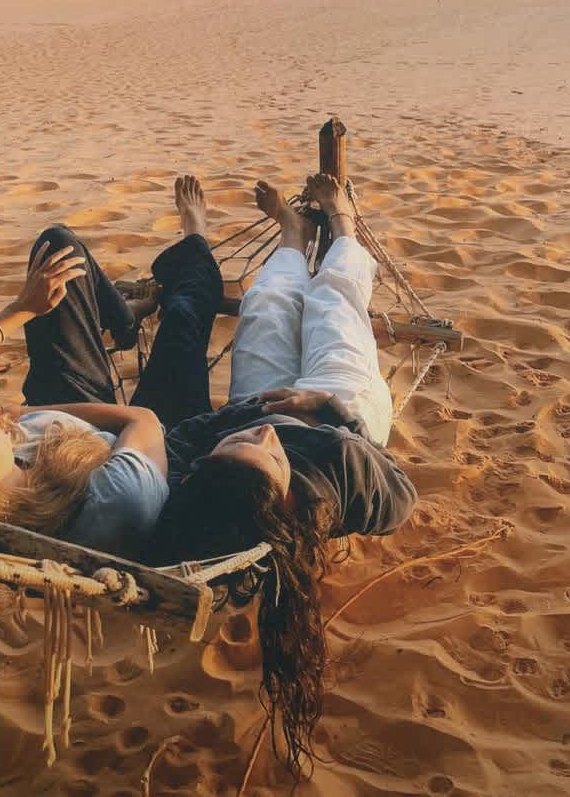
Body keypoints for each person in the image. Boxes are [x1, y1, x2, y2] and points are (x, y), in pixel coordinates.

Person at [0, 176, 222, 660]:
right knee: (183, 316)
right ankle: (196, 236)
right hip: (150, 442)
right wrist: (27, 412)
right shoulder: (108, 504)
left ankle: (123, 318)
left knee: (58, 248)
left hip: (53, 437)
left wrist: (21, 309)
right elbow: (142, 420)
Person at [150, 173, 418, 780]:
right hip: (340, 416)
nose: (261, 443)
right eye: (265, 454)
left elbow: (185, 437)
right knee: (331, 306)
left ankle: (293, 237)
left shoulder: (210, 490)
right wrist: (323, 408)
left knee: (267, 310)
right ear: (285, 494)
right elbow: (402, 493)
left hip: (261, 398)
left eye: (237, 448)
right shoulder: (342, 478)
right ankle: (343, 225)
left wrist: (251, 420)